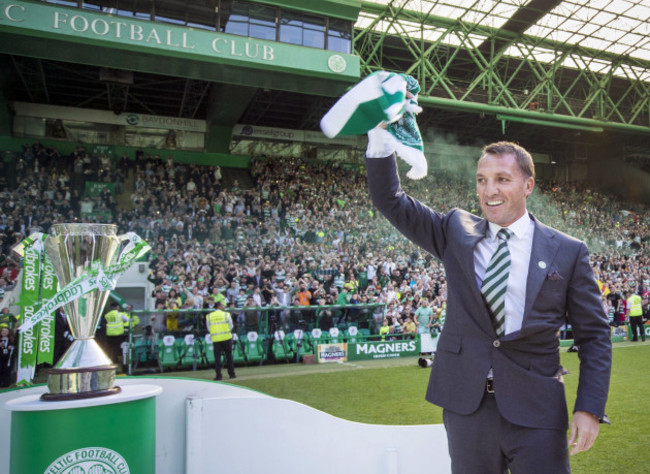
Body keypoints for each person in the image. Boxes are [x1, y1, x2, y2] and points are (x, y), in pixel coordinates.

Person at [364, 129, 612, 473]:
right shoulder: (455, 231)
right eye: (481, 180)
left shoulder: (568, 251)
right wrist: (380, 141)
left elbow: (595, 337)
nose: (489, 190)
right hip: (468, 406)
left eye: (501, 179)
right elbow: (391, 200)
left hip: (537, 409)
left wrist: (589, 408)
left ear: (528, 186)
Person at [206, 301, 236, 381]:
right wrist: (226, 331)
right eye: (222, 305)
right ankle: (232, 374)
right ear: (219, 306)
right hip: (226, 337)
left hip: (216, 339)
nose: (224, 306)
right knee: (229, 356)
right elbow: (231, 326)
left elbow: (208, 328)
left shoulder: (209, 316)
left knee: (217, 358)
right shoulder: (226, 314)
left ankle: (218, 375)